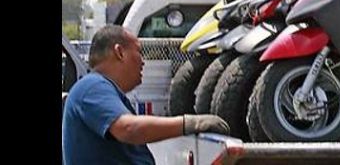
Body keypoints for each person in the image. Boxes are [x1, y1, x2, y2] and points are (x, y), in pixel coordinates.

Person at [62, 25, 229, 165]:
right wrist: (191, 123)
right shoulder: (92, 86)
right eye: (139, 52)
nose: (143, 61)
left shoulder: (99, 88)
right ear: (119, 52)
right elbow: (128, 128)